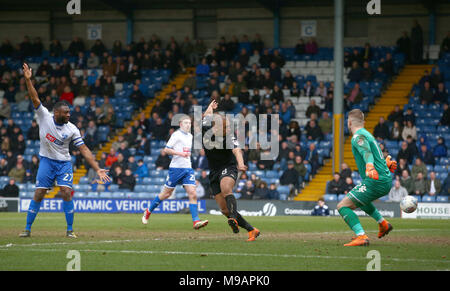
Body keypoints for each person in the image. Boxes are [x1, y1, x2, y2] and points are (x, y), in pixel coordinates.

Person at [19, 63, 110, 238]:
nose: (69, 115)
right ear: (56, 112)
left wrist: (97, 168)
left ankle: (70, 230)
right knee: (39, 194)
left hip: (63, 163)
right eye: (66, 113)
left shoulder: (72, 129)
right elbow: (35, 98)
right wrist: (28, 80)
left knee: (66, 192)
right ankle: (27, 229)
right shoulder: (45, 116)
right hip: (46, 161)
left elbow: (83, 149)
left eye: (69, 112)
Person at [200, 100, 260, 241]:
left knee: (226, 188)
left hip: (228, 167)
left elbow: (237, 150)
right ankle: (252, 230)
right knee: (224, 209)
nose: (226, 128)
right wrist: (210, 107)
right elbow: (206, 116)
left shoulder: (228, 136)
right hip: (214, 171)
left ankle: (233, 219)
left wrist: (241, 164)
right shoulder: (206, 129)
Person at [336, 109, 397, 246]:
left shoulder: (358, 136)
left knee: (342, 206)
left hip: (375, 180)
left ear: (349, 122)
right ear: (363, 122)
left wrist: (370, 166)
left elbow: (367, 153)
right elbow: (376, 153)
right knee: (361, 201)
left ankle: (361, 236)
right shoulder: (367, 134)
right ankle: (383, 223)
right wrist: (384, 165)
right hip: (383, 178)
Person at [142, 116, 208, 230]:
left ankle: (196, 221)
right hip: (176, 169)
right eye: (186, 123)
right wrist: (180, 154)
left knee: (193, 194)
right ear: (181, 124)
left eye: (189, 123)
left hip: (188, 168)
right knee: (166, 194)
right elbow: (166, 149)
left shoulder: (190, 136)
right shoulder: (176, 135)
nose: (188, 125)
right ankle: (148, 211)